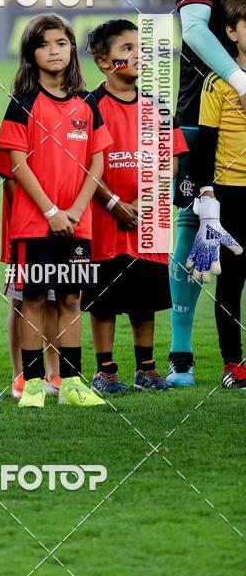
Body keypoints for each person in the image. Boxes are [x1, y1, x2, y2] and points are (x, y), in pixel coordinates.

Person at [0, 14, 110, 409]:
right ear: (31, 54)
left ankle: (73, 383)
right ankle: (30, 385)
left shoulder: (87, 103)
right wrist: (50, 211)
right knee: (33, 301)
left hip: (77, 224)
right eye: (44, 44)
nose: (54, 51)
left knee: (70, 300)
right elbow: (17, 162)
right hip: (34, 224)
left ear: (72, 50)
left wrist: (76, 210)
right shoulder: (23, 103)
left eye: (61, 43)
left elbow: (97, 161)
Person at [170, 0, 246, 386]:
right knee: (195, 223)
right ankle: (180, 357)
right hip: (204, 106)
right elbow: (195, 30)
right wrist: (241, 80)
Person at [82, 20, 188, 394]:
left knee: (146, 298)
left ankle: (147, 368)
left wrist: (143, 201)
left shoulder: (156, 106)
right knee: (104, 300)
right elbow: (81, 163)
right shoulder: (88, 106)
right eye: (126, 48)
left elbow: (171, 160)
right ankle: (105, 371)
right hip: (103, 221)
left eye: (140, 47)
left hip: (148, 220)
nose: (137, 55)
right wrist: (113, 202)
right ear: (104, 62)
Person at [188, 0, 246, 388]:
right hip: (231, 193)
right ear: (230, 31)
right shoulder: (217, 84)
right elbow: (204, 143)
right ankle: (233, 365)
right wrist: (206, 194)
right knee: (232, 280)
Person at [0, 148, 60, 399]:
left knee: (57, 297)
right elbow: (9, 175)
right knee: (22, 298)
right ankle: (20, 374)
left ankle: (55, 372)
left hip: (62, 223)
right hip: (27, 228)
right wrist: (19, 218)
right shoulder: (23, 114)